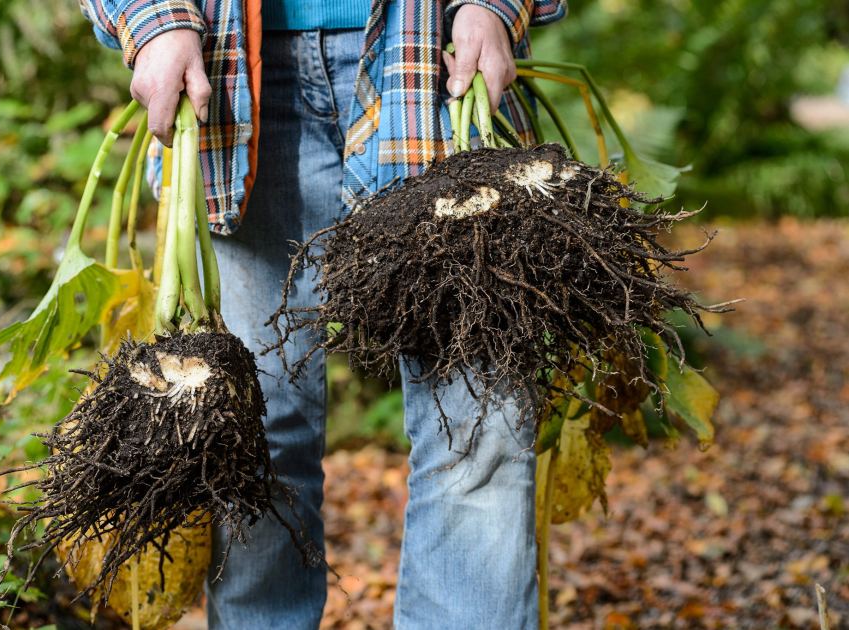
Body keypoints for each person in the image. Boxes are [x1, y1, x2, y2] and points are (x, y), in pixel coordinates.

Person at [79, 1, 566, 627]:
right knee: (252, 437)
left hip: (430, 67)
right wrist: (154, 21)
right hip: (235, 84)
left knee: (480, 426)